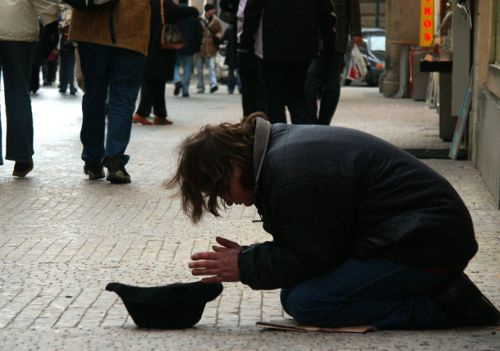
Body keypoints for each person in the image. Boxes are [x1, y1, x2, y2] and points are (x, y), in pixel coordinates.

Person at [167, 115, 499, 329]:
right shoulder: (276, 154)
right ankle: (437, 292)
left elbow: (315, 255)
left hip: (426, 249)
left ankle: (446, 307)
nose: (227, 200)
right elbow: (315, 242)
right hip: (410, 235)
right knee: (294, 294)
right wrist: (248, 258)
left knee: (308, 302)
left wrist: (247, 265)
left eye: (221, 189)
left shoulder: (290, 177)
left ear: (232, 162)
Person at [70, 1, 151, 184]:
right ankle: (115, 161)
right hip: (131, 28)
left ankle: (92, 160)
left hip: (90, 26)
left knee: (93, 96)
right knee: (122, 98)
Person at [240, 0, 336, 124]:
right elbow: (326, 12)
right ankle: (303, 138)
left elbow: (252, 10)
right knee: (297, 96)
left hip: (271, 45)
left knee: (273, 98)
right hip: (303, 46)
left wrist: (246, 43)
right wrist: (328, 43)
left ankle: (280, 137)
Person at [0, 0, 59, 178]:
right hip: (18, 29)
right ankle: (22, 157)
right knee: (18, 94)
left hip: (16, 28)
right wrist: (50, 22)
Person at [133, 0, 199, 126]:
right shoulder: (162, 3)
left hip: (148, 46)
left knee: (158, 81)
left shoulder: (147, 3)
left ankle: (160, 115)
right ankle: (140, 114)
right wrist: (194, 10)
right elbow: (179, 11)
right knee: (153, 81)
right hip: (159, 49)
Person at [305, 0, 362, 125]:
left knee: (332, 85)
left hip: (337, 37)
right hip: (312, 37)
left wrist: (356, 31)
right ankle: (310, 121)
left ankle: (324, 123)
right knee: (310, 78)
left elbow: (353, 5)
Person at [172, 7, 203, 98]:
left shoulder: (176, 19)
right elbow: (199, 34)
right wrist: (196, 47)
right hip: (189, 47)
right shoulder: (195, 20)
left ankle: (177, 81)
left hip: (176, 46)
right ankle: (185, 90)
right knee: (187, 68)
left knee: (174, 66)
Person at [195, 4, 222, 94]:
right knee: (199, 69)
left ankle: (213, 85)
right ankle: (200, 86)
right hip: (200, 47)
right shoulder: (200, 19)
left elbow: (220, 31)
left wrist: (219, 37)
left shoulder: (216, 20)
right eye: (212, 9)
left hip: (211, 46)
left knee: (211, 67)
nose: (214, 11)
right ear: (207, 10)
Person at [58, 4, 77, 95]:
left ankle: (63, 86)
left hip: (64, 40)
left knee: (64, 65)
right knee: (70, 65)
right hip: (71, 40)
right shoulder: (73, 9)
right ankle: (71, 86)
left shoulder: (63, 10)